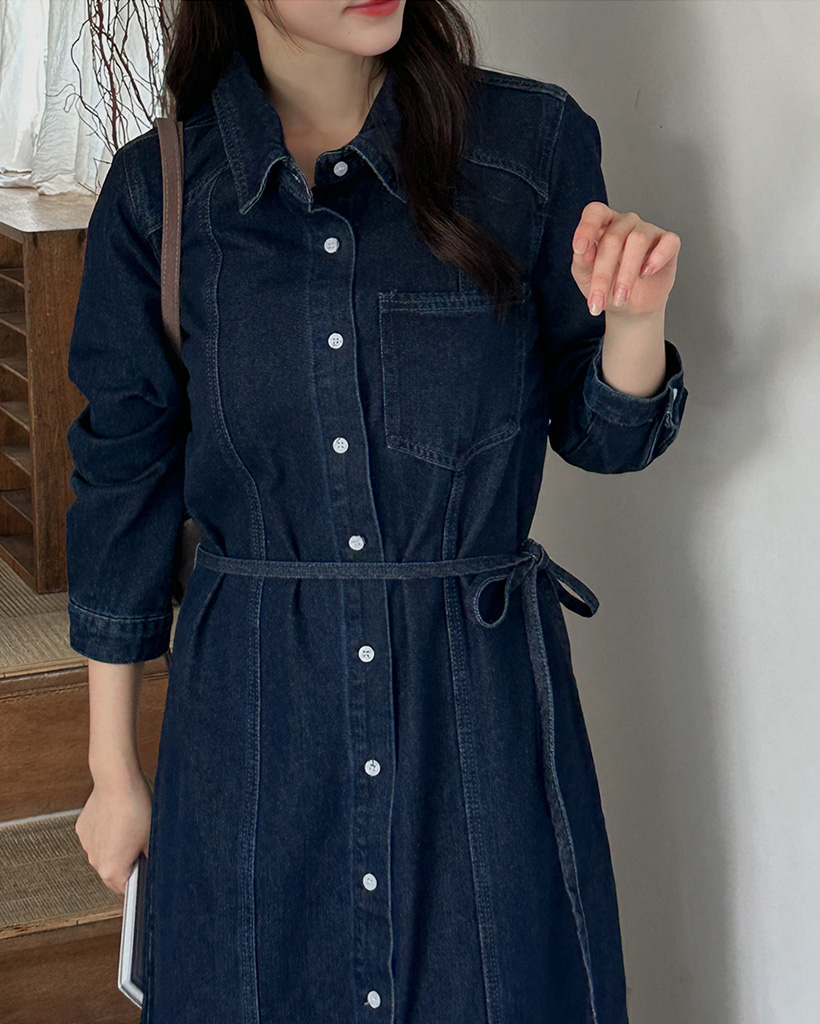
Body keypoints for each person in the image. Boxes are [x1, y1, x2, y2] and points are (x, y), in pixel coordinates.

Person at [67, 1, 688, 1022]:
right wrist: (111, 769)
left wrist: (634, 318)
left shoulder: (532, 145)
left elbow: (606, 436)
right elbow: (122, 483)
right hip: (254, 732)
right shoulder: (160, 193)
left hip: (477, 729)